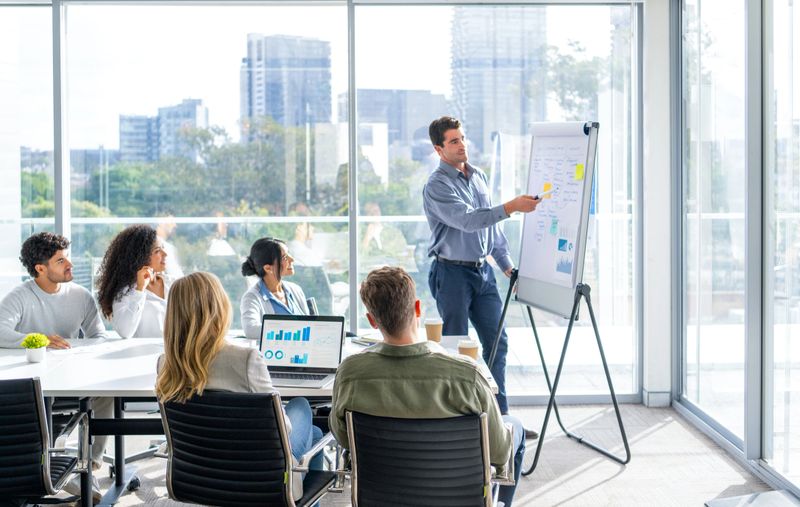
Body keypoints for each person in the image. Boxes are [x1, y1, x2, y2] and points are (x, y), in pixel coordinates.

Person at [329, 267, 525, 506]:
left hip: (383, 497)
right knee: (515, 427)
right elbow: (499, 453)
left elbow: (344, 439)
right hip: (454, 497)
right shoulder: (467, 376)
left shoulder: (350, 373)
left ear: (371, 320)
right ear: (418, 308)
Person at [155, 272, 323, 500]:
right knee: (302, 408)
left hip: (202, 477)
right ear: (220, 307)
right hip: (263, 479)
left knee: (314, 434)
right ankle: (293, 495)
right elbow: (284, 428)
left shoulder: (166, 364)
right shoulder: (245, 359)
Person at [422, 116, 540, 425]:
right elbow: (469, 220)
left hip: (482, 273)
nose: (462, 145)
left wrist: (507, 267)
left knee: (497, 342)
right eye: (454, 141)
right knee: (455, 349)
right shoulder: (437, 185)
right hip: (451, 275)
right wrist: (511, 206)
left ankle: (498, 420)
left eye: (462, 138)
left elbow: (491, 229)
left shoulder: (479, 177)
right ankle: (456, 422)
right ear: (439, 148)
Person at [0, 232, 110, 501]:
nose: (69, 264)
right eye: (60, 260)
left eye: (66, 257)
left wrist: (82, 353)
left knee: (107, 394)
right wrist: (39, 341)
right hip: (33, 385)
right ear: (40, 268)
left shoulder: (80, 296)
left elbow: (99, 336)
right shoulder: (20, 296)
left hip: (73, 378)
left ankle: (91, 464)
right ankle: (53, 471)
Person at [96, 224, 174, 339]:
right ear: (140, 256)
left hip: (175, 354)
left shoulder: (172, 283)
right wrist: (140, 290)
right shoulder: (125, 291)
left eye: (163, 248)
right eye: (157, 251)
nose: (165, 254)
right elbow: (125, 332)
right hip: (143, 355)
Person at [240, 237, 310, 340]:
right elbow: (251, 330)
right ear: (268, 268)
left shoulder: (296, 290)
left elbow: (310, 325)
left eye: (289, 254)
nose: (292, 260)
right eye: (285, 258)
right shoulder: (251, 298)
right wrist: (295, 329)